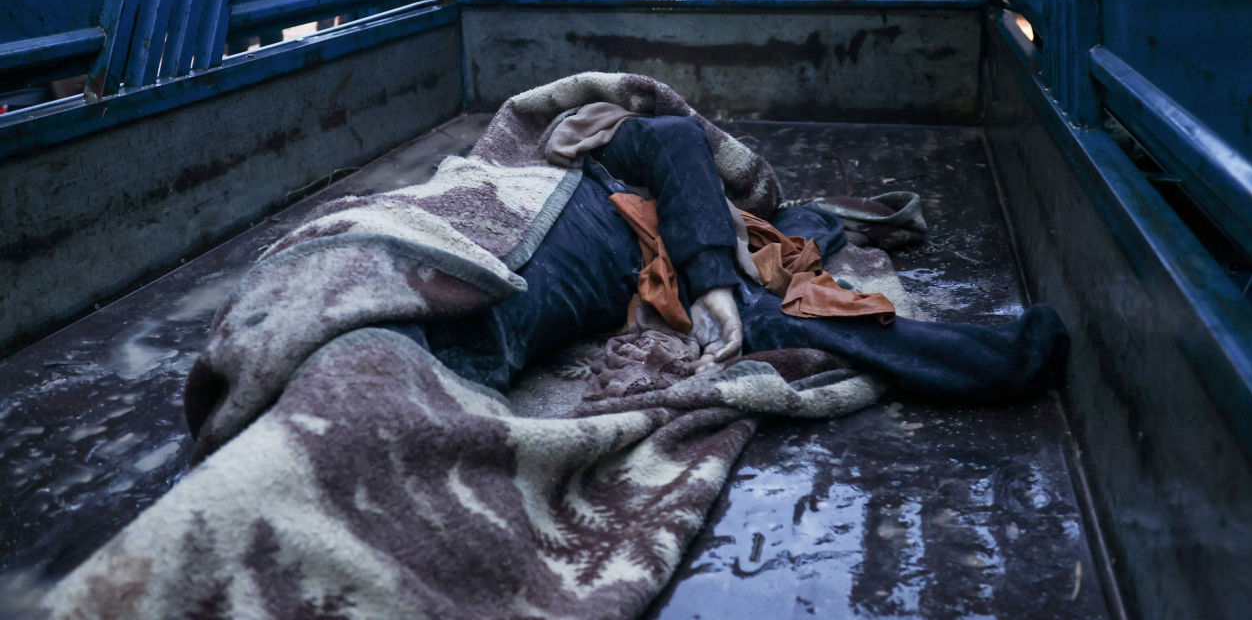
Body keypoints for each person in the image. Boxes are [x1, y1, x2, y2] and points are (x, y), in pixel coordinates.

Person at [407, 109, 1069, 402]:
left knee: (767, 286)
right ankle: (1008, 361)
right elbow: (674, 137)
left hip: (461, 313)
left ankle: (1006, 360)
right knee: (763, 306)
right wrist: (712, 280)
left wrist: (712, 271)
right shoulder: (592, 166)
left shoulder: (633, 221)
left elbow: (750, 209)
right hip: (460, 283)